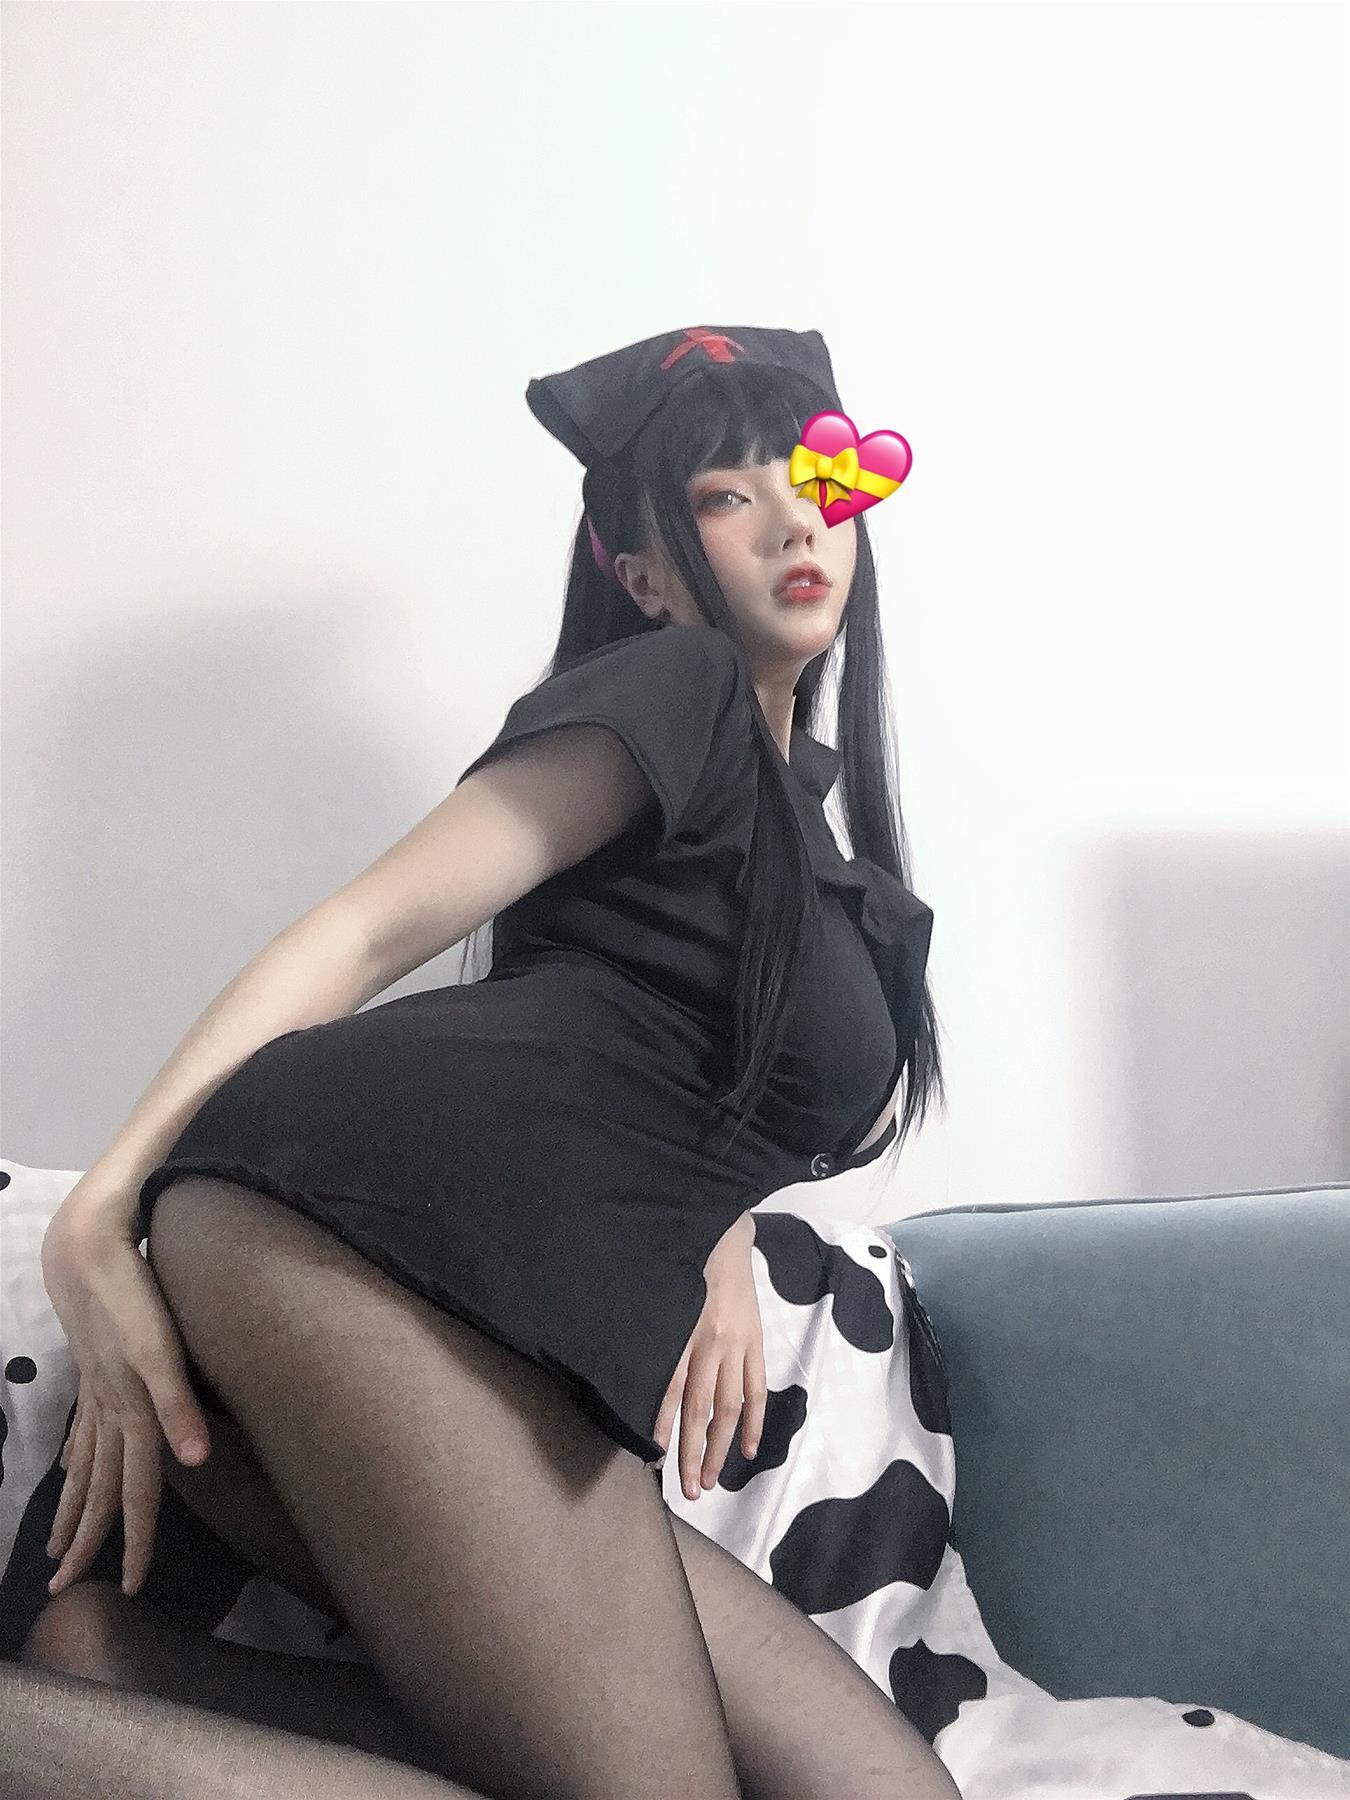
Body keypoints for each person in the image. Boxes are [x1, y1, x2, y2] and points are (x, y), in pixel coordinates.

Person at [15, 324, 956, 1800]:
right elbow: (370, 927)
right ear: (642, 574)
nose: (794, 520)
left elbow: (641, 1048)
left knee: (888, 1792)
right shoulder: (678, 686)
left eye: (818, 481)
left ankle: (116, 1684)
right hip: (349, 1240)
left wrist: (714, 1229)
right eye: (727, 496)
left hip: (499, 1319)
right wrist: (99, 1212)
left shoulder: (816, 849)